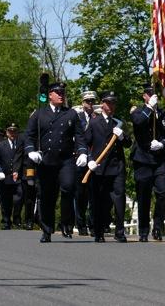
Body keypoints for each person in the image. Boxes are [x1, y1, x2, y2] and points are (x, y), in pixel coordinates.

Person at [24, 82, 88, 242]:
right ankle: (46, 230)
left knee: (68, 188)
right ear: (50, 95)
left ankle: (66, 223)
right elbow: (29, 136)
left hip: (65, 159)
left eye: (63, 92)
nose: (61, 95)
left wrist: (82, 152)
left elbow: (79, 136)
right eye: (57, 92)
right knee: (46, 196)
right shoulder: (39, 114)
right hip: (46, 161)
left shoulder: (71, 114)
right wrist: (31, 151)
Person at [85, 91, 131, 243]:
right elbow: (86, 143)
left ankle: (119, 231)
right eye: (109, 103)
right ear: (102, 104)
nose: (111, 106)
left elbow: (128, 143)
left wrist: (123, 136)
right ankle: (99, 232)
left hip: (116, 166)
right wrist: (89, 160)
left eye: (113, 103)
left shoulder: (118, 123)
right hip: (100, 168)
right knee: (100, 201)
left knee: (119, 199)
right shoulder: (93, 122)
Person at [130, 84, 165, 242]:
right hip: (142, 159)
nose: (153, 97)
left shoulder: (164, 115)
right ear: (145, 96)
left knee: (163, 193)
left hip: (159, 160)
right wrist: (149, 108)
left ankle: (157, 226)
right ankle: (143, 230)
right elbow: (139, 122)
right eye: (150, 94)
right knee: (143, 196)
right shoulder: (138, 111)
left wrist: (163, 143)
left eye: (155, 95)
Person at [74, 90, 98, 236]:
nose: (90, 104)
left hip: (94, 160)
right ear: (83, 103)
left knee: (94, 194)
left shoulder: (97, 117)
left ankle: (93, 224)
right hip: (80, 159)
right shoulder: (77, 118)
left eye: (92, 101)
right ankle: (81, 224)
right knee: (80, 194)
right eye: (88, 101)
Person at [0, 123, 24, 229]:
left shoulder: (21, 143)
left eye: (15, 131)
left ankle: (16, 219)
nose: (12, 133)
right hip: (5, 176)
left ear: (17, 132)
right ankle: (7, 221)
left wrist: (18, 171)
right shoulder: (1, 145)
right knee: (5, 199)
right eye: (10, 131)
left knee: (19, 197)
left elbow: (22, 159)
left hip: (18, 176)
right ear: (7, 133)